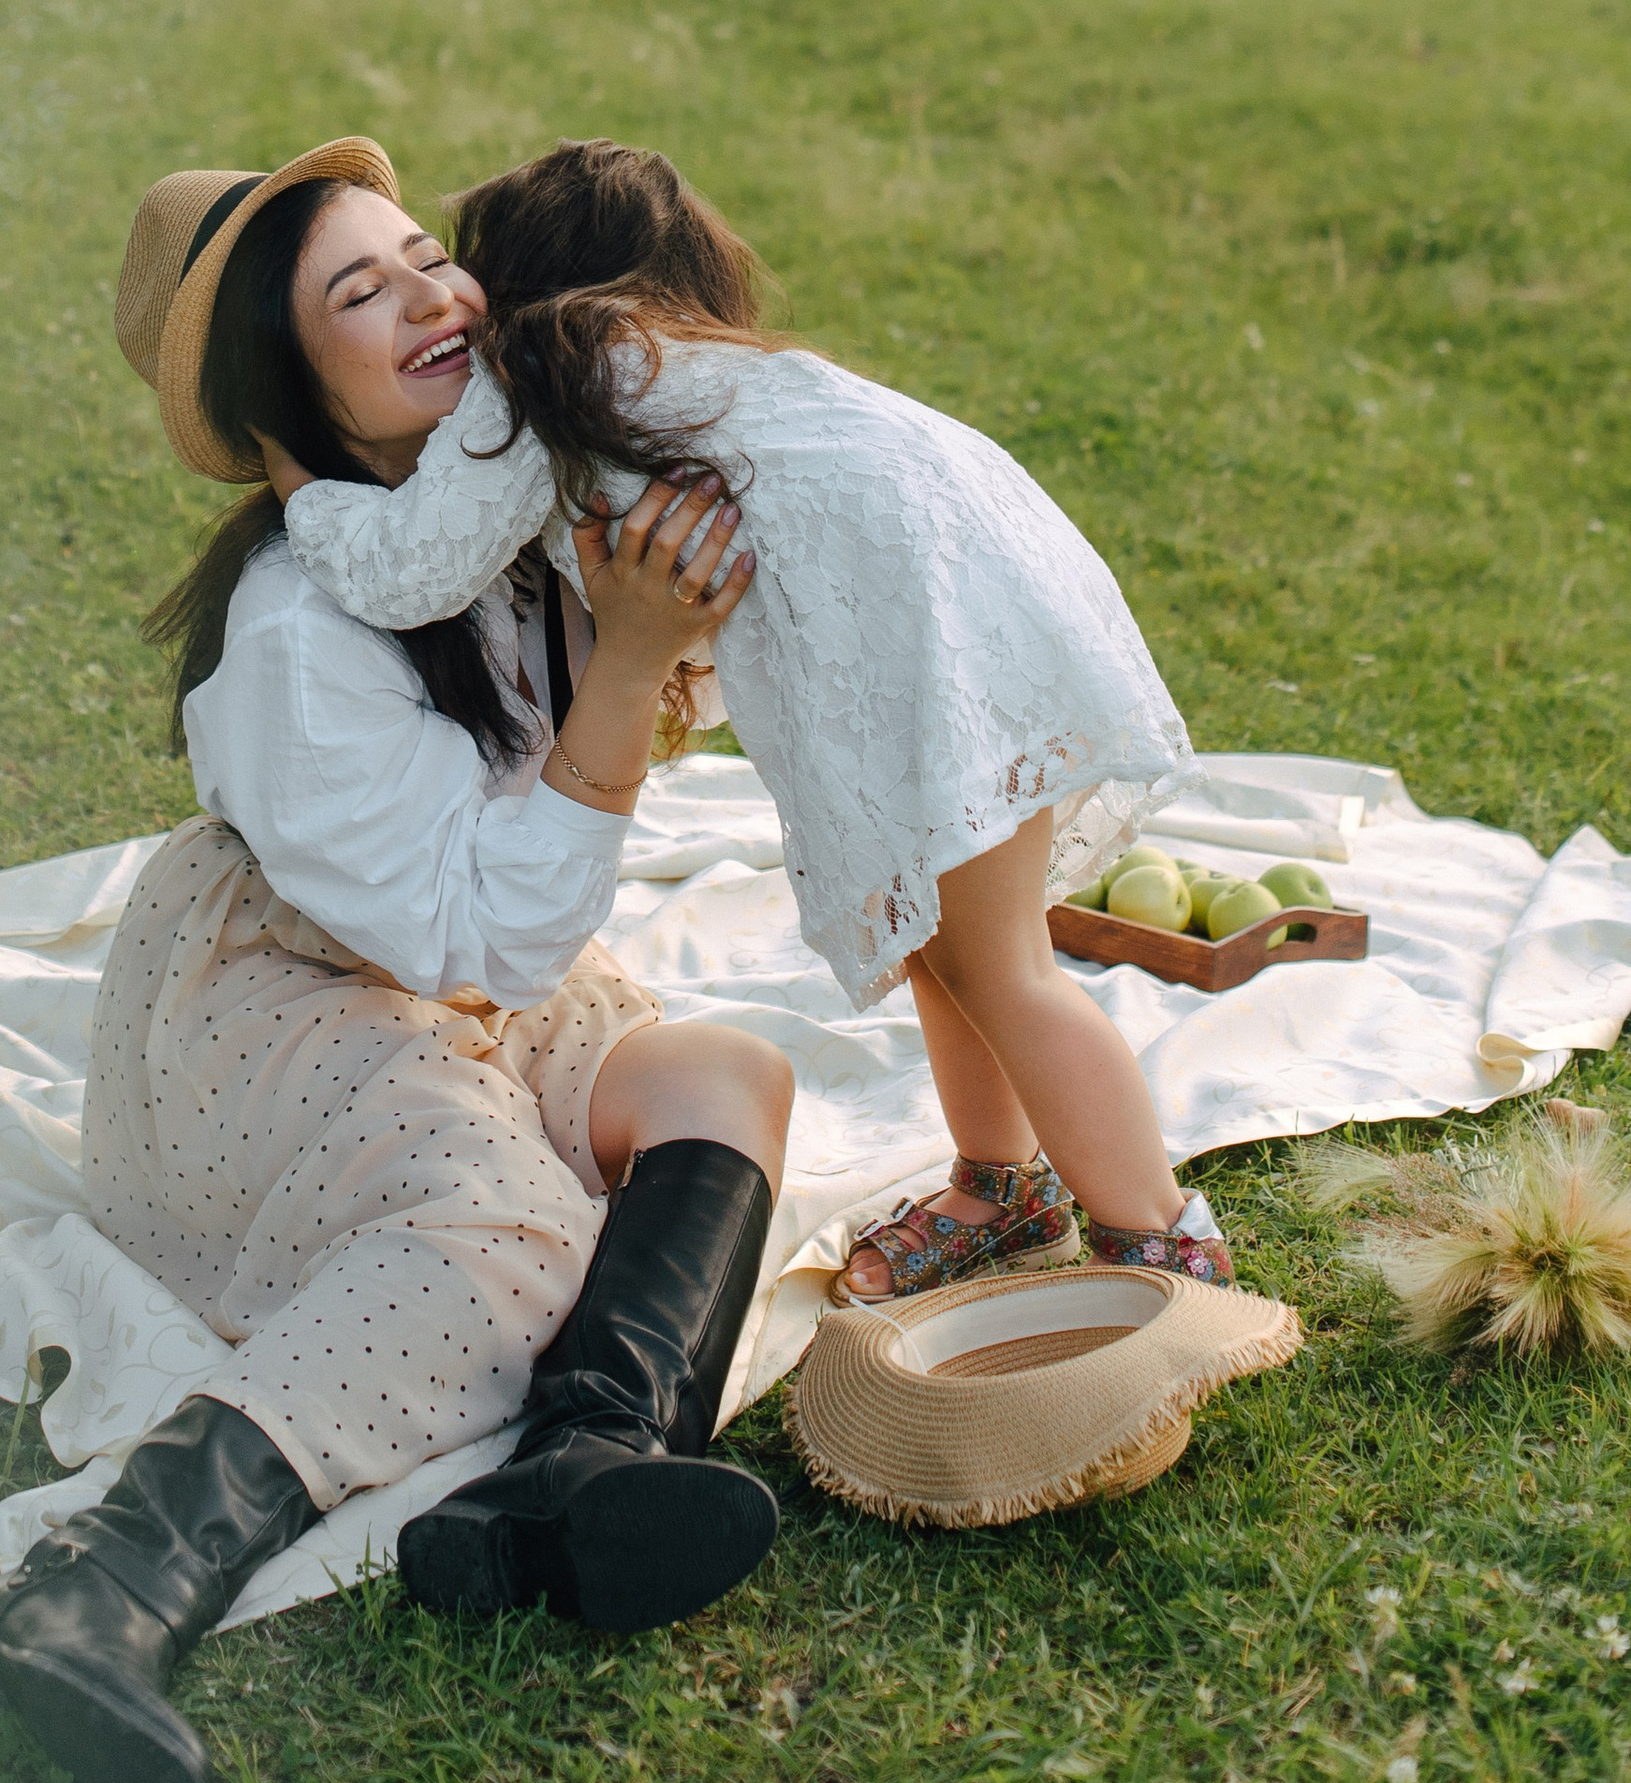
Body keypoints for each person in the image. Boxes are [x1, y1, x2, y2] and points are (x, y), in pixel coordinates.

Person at [0, 138, 798, 1783]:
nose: (431, 296)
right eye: (358, 292)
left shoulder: (484, 500)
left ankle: (577, 1466)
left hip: (456, 981)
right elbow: (485, 936)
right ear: (288, 390)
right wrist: (621, 669)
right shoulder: (296, 639)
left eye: (423, 256)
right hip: (276, 1011)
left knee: (727, 1080)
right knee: (508, 1236)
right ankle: (101, 1589)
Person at [272, 138, 1227, 1311]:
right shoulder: (714, 366)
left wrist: (298, 485)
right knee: (949, 944)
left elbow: (407, 570)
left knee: (1003, 968)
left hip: (931, 656)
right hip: (993, 599)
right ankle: (999, 1190)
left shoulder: (532, 383)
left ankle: (1163, 1247)